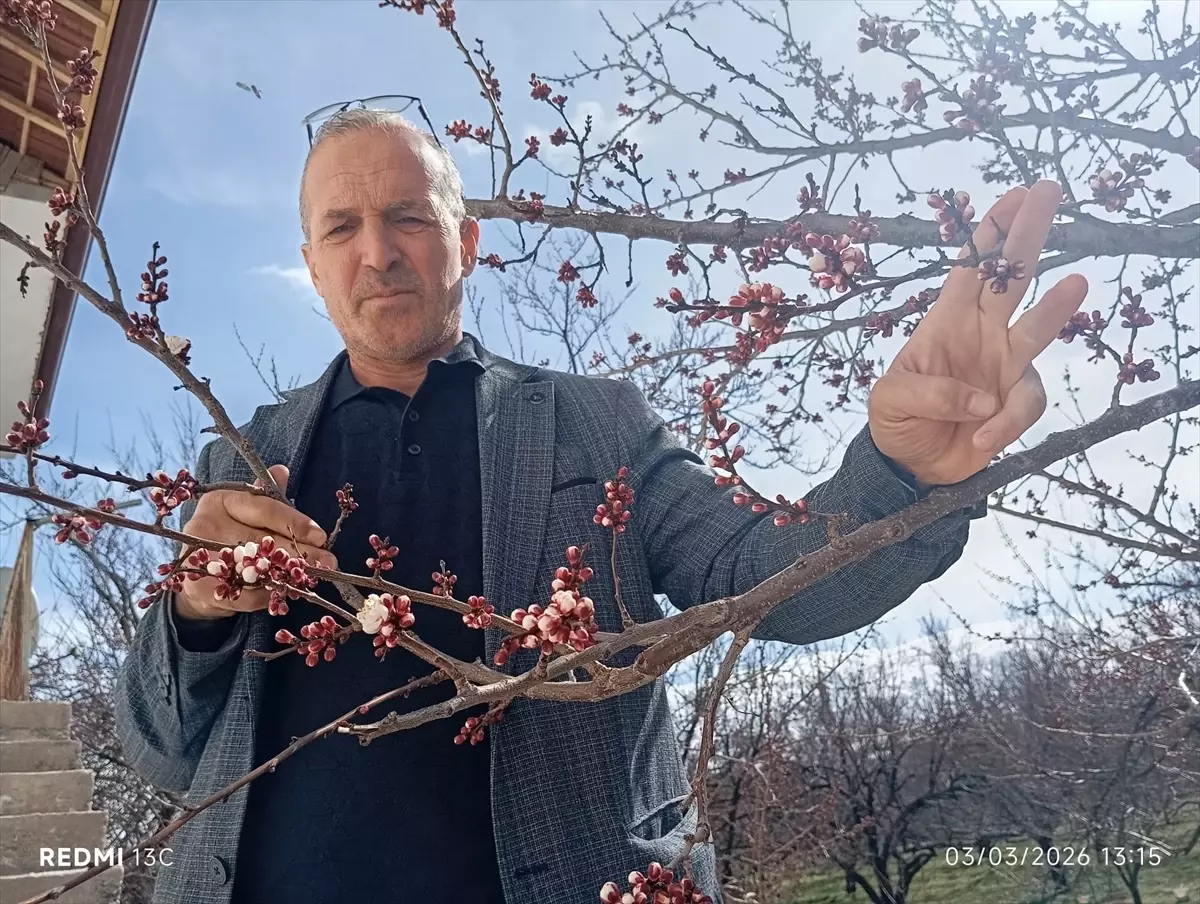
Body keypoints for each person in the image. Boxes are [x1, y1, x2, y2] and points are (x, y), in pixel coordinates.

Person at [114, 108, 1088, 904]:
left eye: (409, 216)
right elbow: (160, 751)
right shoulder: (244, 461)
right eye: (342, 227)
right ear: (313, 264)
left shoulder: (594, 424)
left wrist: (898, 475)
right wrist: (194, 611)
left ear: (467, 241)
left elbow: (771, 585)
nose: (378, 252)